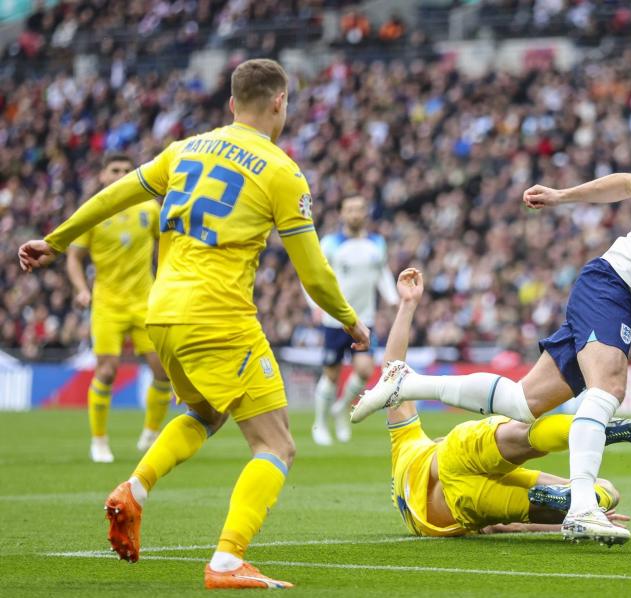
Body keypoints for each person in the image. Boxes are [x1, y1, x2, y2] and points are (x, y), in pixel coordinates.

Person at [18, 58, 369, 589]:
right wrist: (350, 321)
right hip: (219, 315)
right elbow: (314, 272)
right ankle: (228, 560)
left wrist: (58, 237)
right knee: (276, 446)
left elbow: (117, 196)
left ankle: (135, 488)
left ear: (231, 104)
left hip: (161, 311)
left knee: (204, 413)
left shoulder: (185, 149)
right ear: (279, 103)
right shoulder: (280, 170)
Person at [353, 155, 631, 545]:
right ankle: (581, 507)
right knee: (609, 387)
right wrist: (561, 196)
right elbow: (627, 184)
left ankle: (406, 384)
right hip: (609, 282)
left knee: (524, 403)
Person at [382, 268, 631, 540]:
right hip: (452, 453)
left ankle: (583, 503)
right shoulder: (405, 446)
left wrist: (562, 523)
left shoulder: (418, 512)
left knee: (604, 493)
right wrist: (407, 305)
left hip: (463, 509)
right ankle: (590, 429)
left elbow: (506, 527)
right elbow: (392, 373)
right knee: (522, 435)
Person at [65, 153, 172, 463]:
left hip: (144, 303)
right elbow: (74, 258)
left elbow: (166, 246)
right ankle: (99, 441)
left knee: (162, 371)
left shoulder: (149, 209)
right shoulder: (94, 212)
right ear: (103, 176)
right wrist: (82, 290)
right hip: (107, 304)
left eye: (127, 170)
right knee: (108, 371)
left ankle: (151, 434)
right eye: (115, 170)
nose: (122, 174)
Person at [307, 194, 397, 446]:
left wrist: (391, 297)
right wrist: (314, 305)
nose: (355, 214)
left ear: (366, 213)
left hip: (364, 319)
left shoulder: (376, 243)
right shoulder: (331, 244)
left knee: (365, 370)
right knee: (331, 374)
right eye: (350, 209)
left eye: (359, 209)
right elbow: (313, 275)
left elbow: (382, 273)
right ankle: (321, 423)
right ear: (342, 214)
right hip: (334, 320)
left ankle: (341, 408)